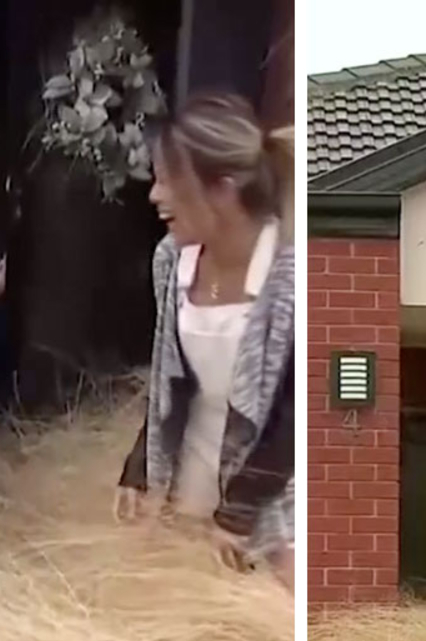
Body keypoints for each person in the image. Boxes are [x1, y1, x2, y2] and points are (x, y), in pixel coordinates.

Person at [115, 92, 296, 589]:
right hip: (192, 484)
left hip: (271, 494)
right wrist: (139, 464)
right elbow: (169, 375)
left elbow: (292, 412)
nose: (155, 196)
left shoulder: (292, 274)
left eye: (169, 180)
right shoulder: (171, 261)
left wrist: (239, 512)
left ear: (223, 187)